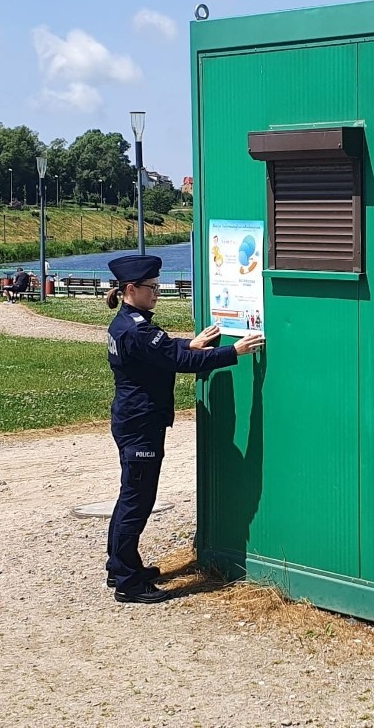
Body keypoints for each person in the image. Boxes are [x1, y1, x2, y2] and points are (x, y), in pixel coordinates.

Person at [104, 254, 264, 604]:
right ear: (131, 289)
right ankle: (128, 584)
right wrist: (232, 352)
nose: (157, 293)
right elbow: (178, 362)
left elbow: (164, 351)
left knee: (132, 496)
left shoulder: (129, 323)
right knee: (137, 500)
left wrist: (187, 343)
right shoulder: (136, 328)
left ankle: (121, 565)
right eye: (151, 288)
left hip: (134, 421)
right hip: (140, 425)